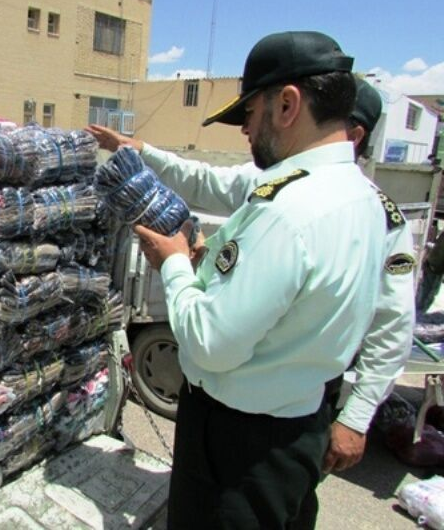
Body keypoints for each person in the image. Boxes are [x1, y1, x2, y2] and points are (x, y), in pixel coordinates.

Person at [87, 31, 407, 529]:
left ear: (286, 104)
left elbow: (212, 344)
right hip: (292, 430)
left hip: (239, 445)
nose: (244, 130)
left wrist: (172, 263)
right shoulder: (361, 199)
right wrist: (204, 269)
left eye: (250, 114)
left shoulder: (289, 210)